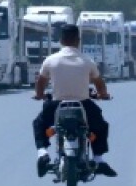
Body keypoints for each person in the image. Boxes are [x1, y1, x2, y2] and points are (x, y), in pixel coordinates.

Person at [32, 23, 116, 177]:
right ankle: (98, 159)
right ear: (78, 40)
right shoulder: (87, 61)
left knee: (39, 123)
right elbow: (99, 83)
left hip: (57, 104)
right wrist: (103, 94)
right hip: (83, 104)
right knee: (101, 126)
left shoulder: (51, 60)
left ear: (61, 40)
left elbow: (41, 83)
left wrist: (39, 95)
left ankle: (42, 153)